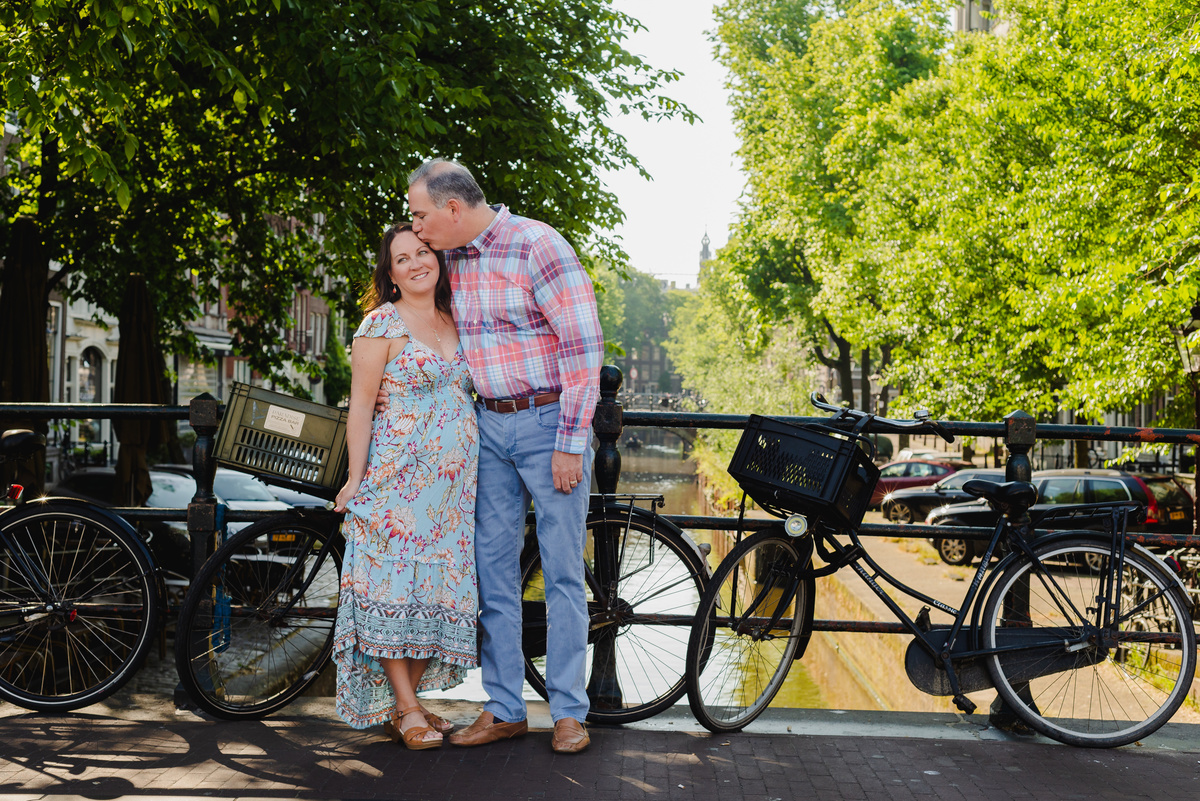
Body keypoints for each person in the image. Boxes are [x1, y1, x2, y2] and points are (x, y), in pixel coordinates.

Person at [383, 158, 603, 754]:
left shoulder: (537, 246)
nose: (417, 228)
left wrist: (570, 441)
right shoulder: (450, 258)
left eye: (421, 215)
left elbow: (583, 347)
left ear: (453, 209)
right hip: (487, 428)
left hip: (547, 423)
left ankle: (567, 713)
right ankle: (505, 707)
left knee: (560, 574)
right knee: (492, 576)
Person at [332, 222, 479, 751]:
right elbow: (361, 412)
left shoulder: (457, 317)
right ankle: (410, 707)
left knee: (437, 597)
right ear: (390, 274)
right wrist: (355, 478)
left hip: (455, 495)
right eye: (402, 258)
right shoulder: (380, 325)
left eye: (423, 251)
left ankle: (404, 707)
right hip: (398, 487)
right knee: (393, 592)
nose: (417, 262)